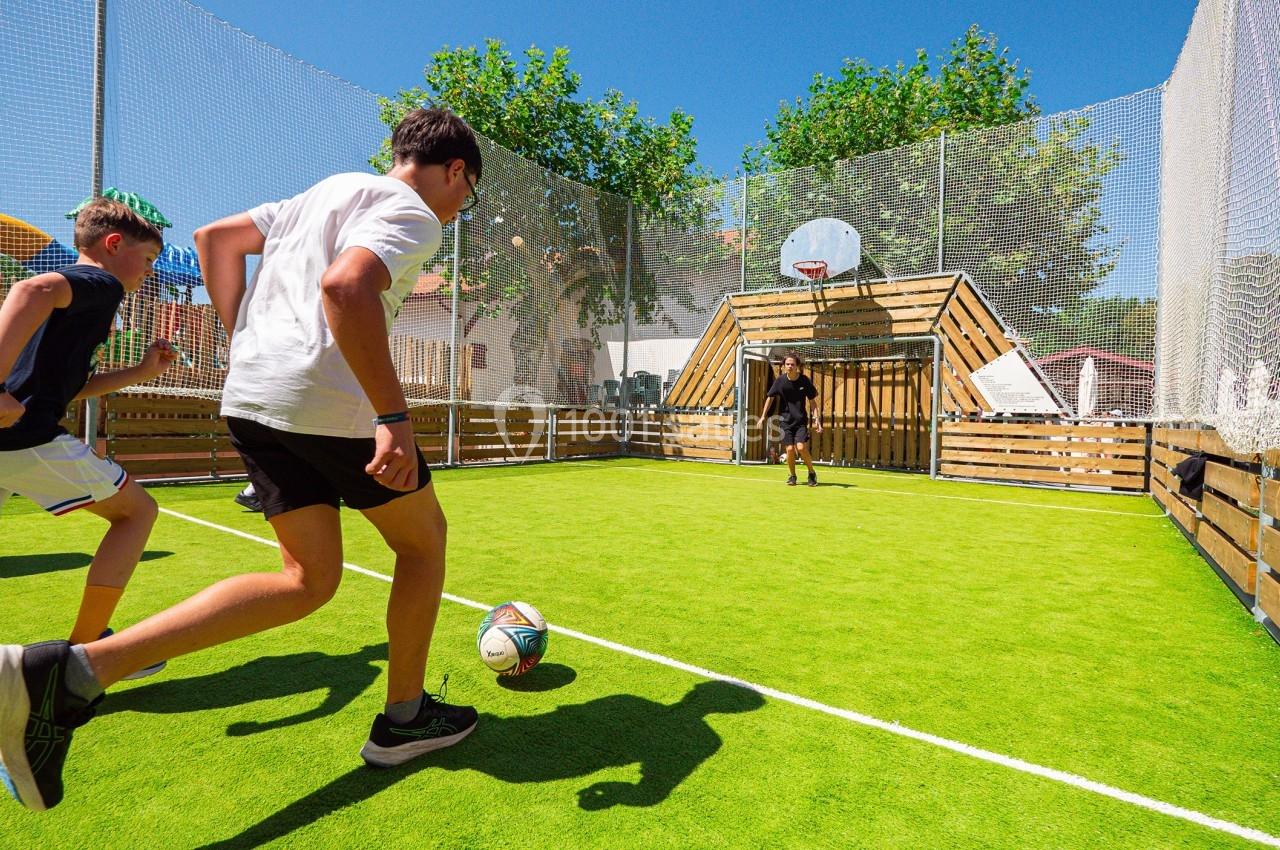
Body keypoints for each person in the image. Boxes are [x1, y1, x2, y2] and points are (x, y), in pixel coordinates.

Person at [0, 107, 483, 812]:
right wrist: (392, 419)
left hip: (252, 396)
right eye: (466, 192)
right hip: (327, 404)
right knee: (423, 544)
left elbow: (215, 239)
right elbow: (348, 288)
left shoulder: (324, 191)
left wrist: (246, 338)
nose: (460, 206)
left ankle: (70, 673)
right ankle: (405, 718)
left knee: (307, 579)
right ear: (456, 171)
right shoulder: (412, 210)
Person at [0, 197, 177, 683]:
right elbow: (31, 286)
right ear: (114, 245)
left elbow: (69, 387)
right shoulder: (101, 283)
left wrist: (140, 371)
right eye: (147, 261)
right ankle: (85, 653)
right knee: (137, 512)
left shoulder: (77, 307)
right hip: (26, 440)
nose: (146, 273)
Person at [757, 352, 822, 486]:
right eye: (787, 364)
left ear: (797, 366)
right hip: (785, 421)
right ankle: (792, 475)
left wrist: (817, 420)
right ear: (784, 366)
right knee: (790, 449)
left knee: (801, 447)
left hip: (800, 421)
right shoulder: (780, 381)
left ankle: (811, 473)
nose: (790, 366)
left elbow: (813, 402)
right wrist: (763, 416)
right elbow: (770, 398)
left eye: (792, 364)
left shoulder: (804, 380)